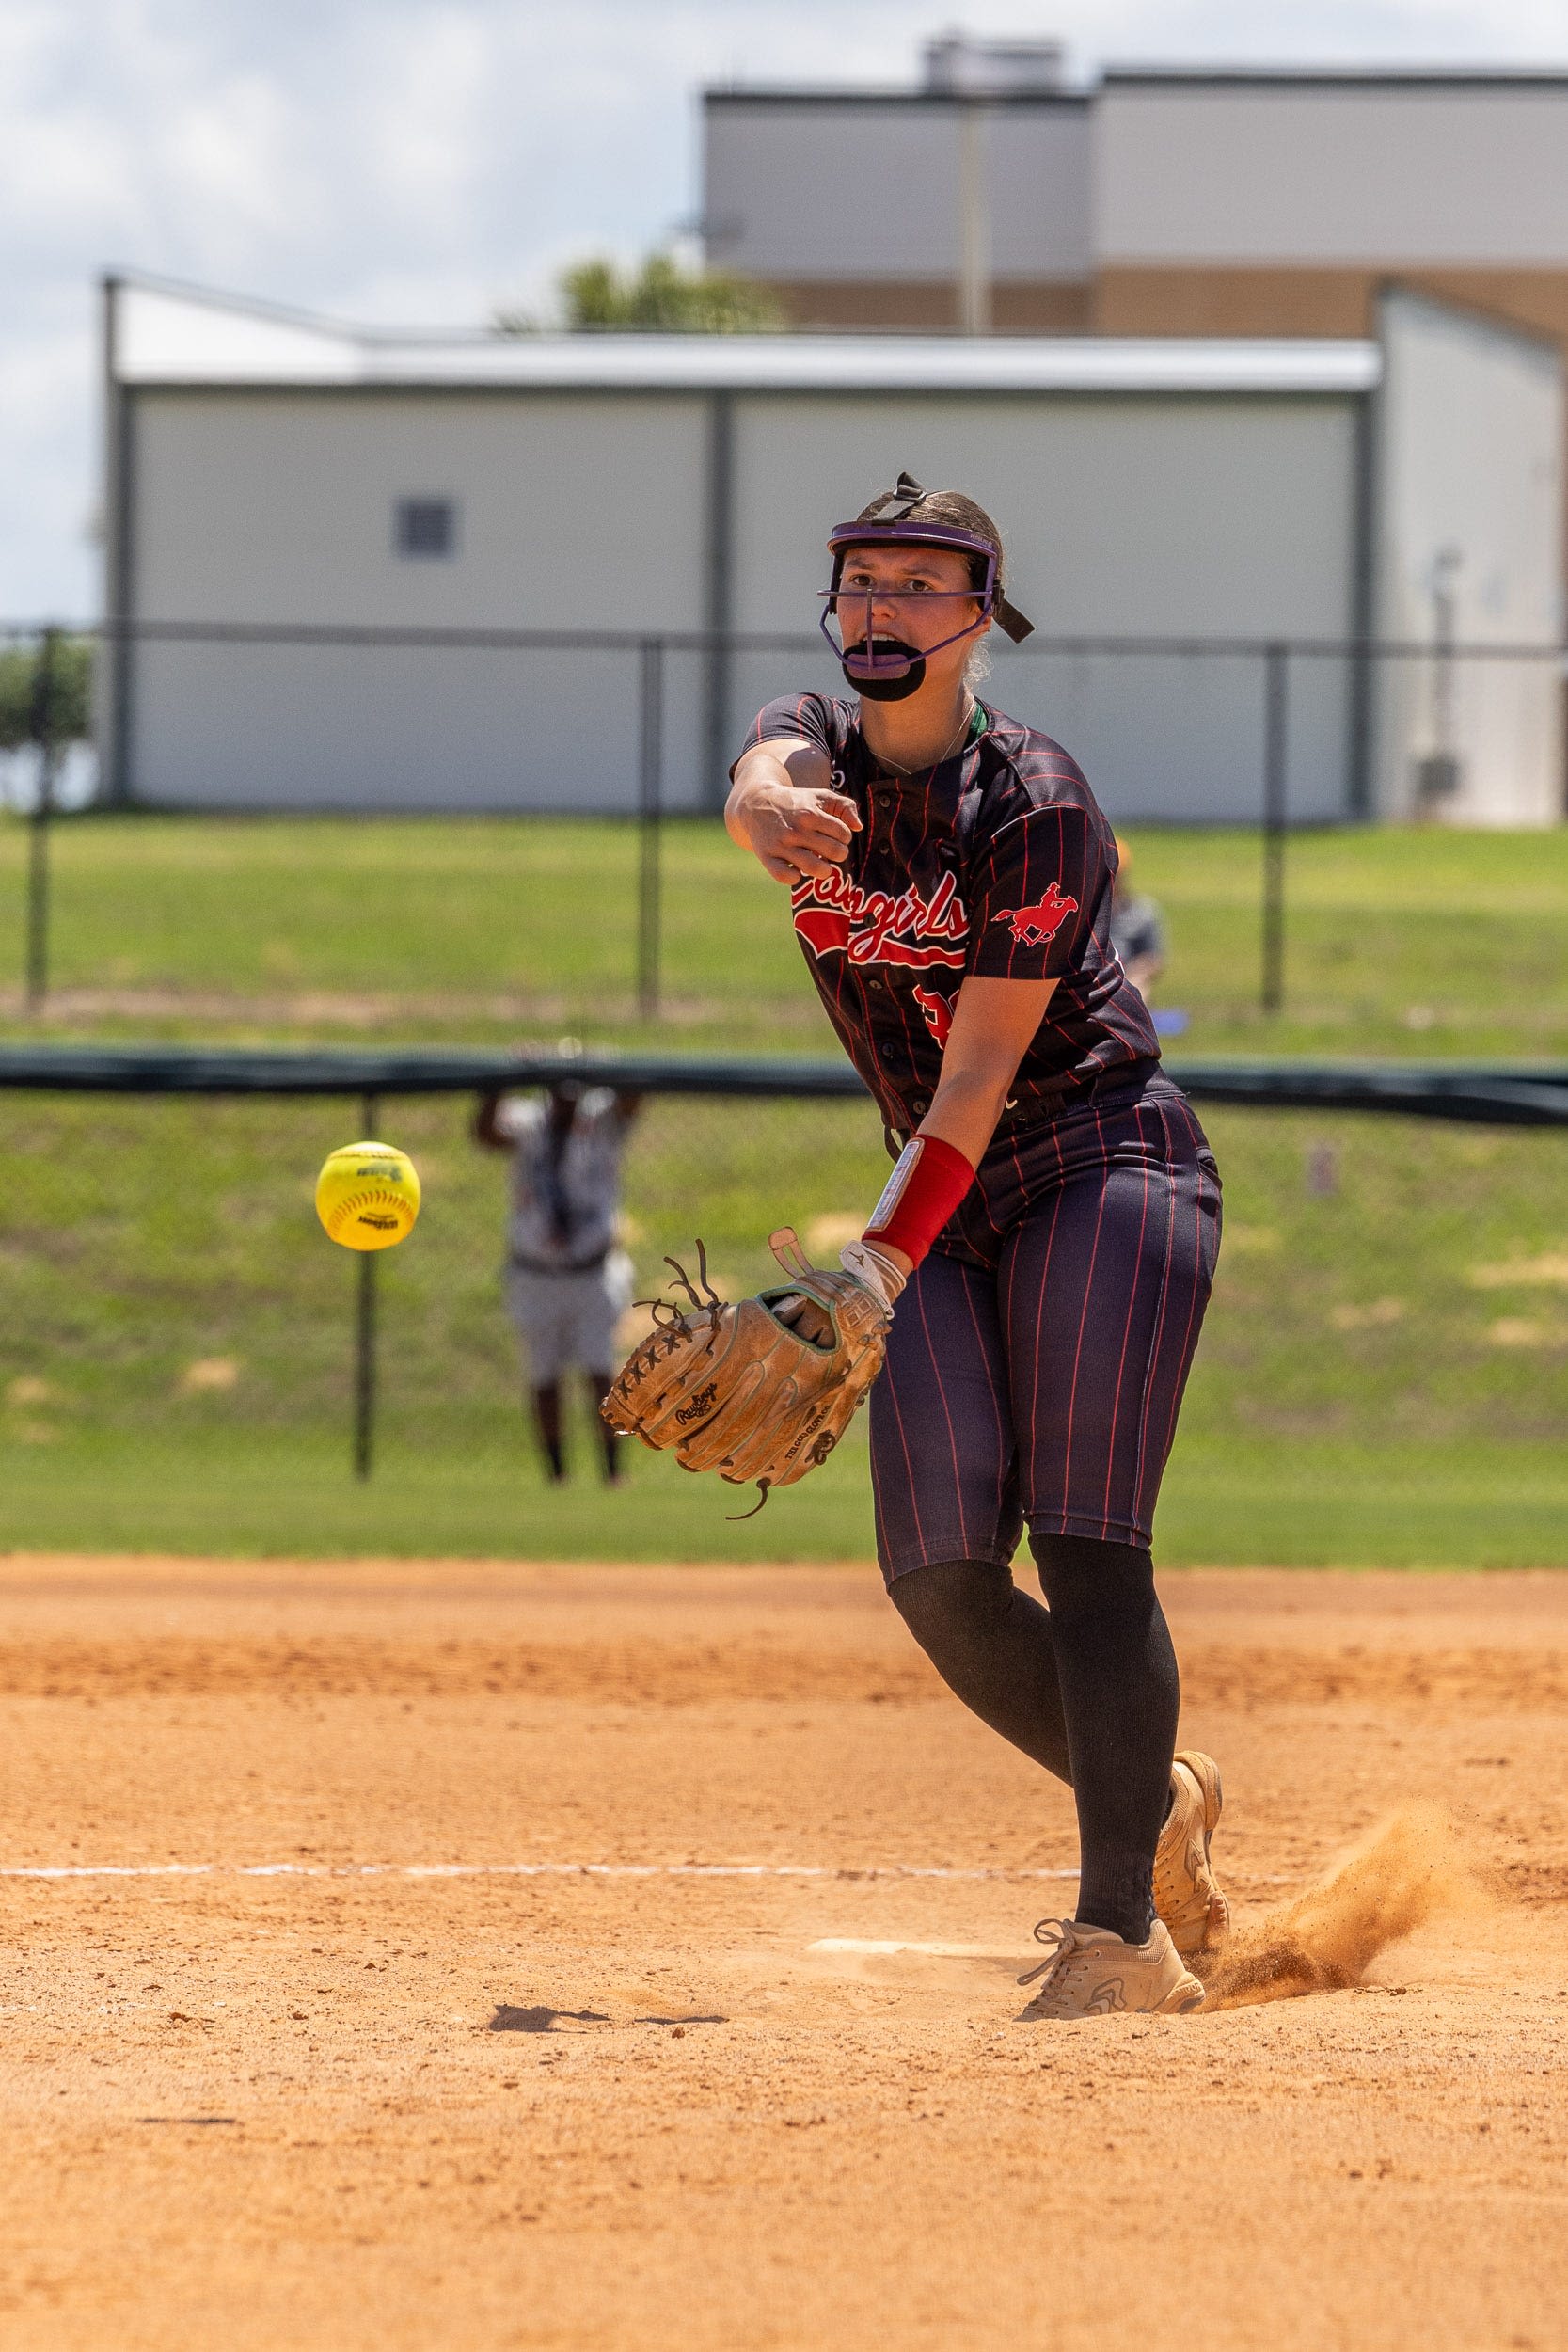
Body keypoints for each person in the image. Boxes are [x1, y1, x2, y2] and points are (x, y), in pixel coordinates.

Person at [723, 472, 1227, 2021]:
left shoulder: (1036, 804)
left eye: (918, 585)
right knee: (937, 1573)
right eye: (859, 581)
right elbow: (771, 753)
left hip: (1096, 1165)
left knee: (1083, 1546)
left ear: (978, 614)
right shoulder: (813, 741)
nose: (882, 609)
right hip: (936, 1198)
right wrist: (751, 795)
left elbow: (978, 1077)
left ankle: (1117, 1940)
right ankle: (1157, 1801)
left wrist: (870, 1266)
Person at [474, 1077, 641, 1486]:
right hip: (535, 1271)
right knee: (543, 1375)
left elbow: (633, 1100)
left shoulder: (600, 1118)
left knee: (601, 1373)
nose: (566, 1095)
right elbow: (485, 1135)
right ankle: (556, 1474)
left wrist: (605, 1070)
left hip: (592, 1269)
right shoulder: (530, 1119)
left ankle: (613, 1472)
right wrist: (500, 1082)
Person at [1108, 836, 1166, 1000]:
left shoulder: (1143, 912)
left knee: (1138, 986)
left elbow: (1155, 959)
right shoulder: (1085, 912)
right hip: (1091, 977)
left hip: (1128, 977)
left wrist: (1132, 973)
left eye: (1116, 876)